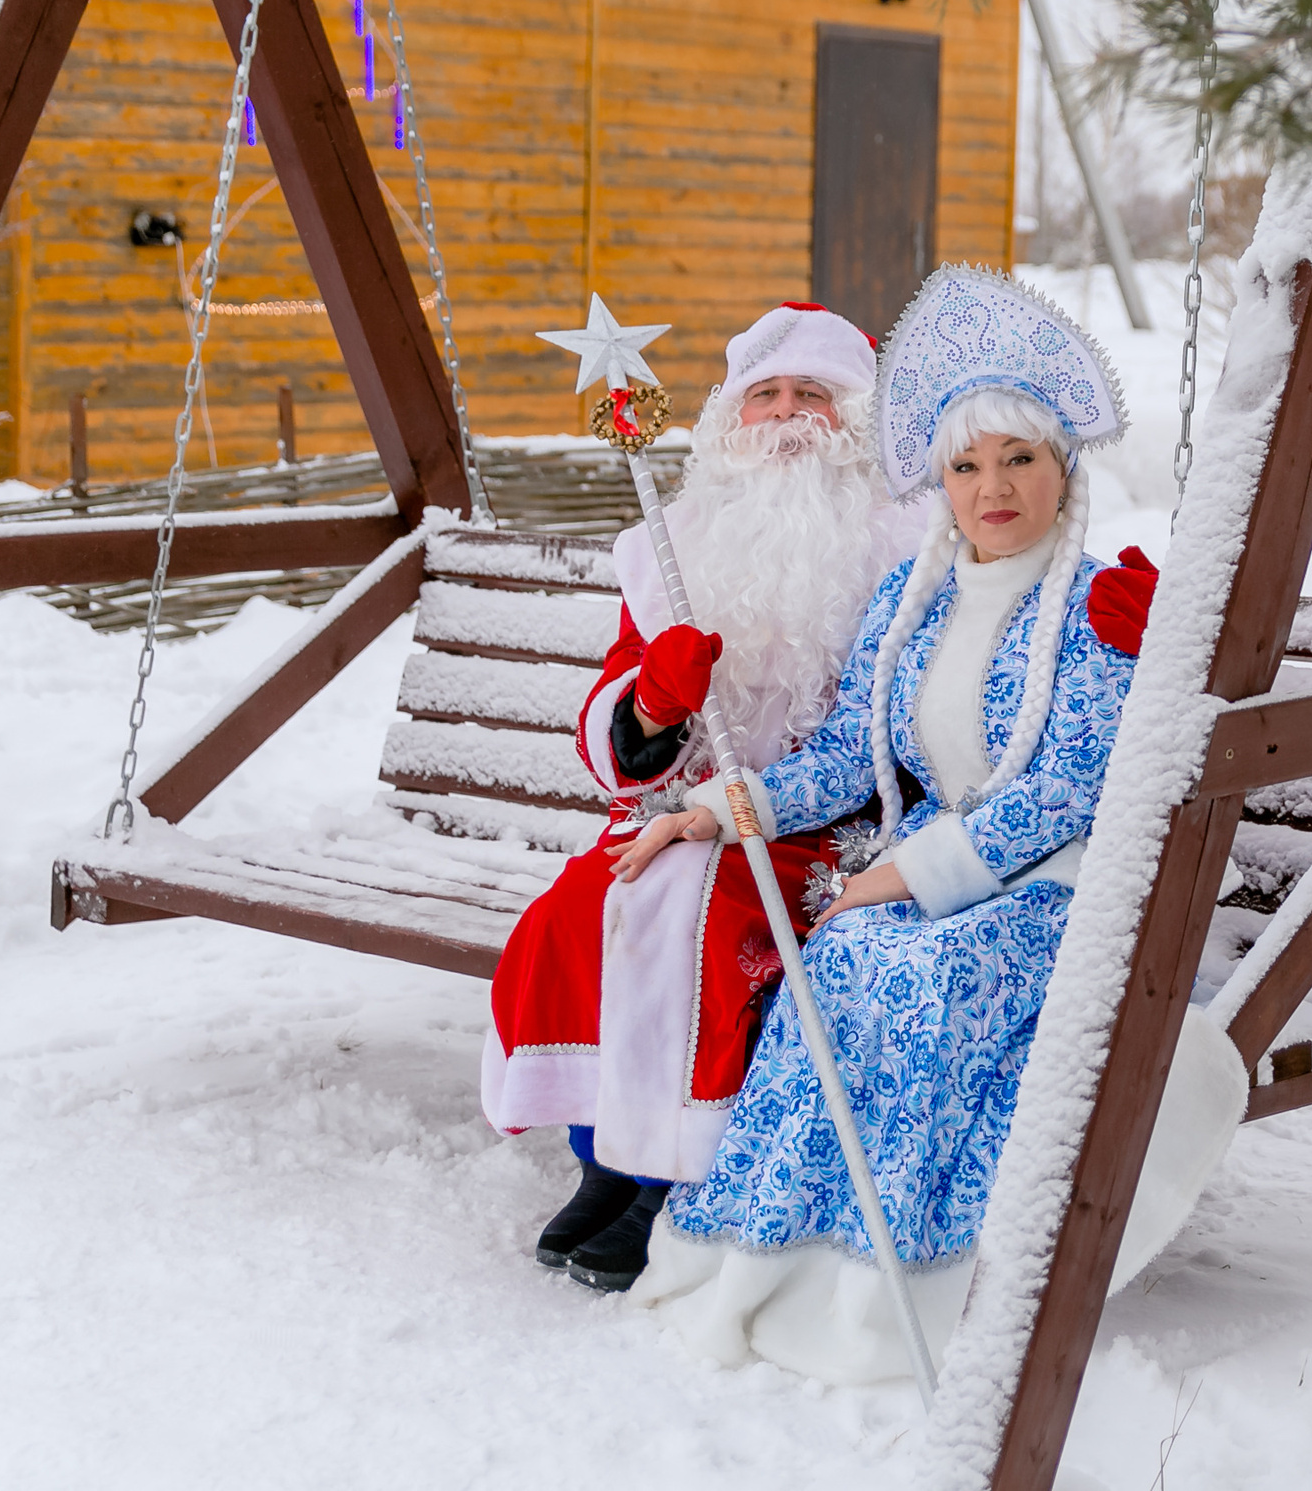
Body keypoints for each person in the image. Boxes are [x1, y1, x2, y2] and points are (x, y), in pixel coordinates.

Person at [604, 265, 1153, 1380]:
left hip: (1059, 883)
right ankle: (773, 1257)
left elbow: (1061, 798)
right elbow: (848, 755)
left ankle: (915, 1272)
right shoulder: (917, 605)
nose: (990, 489)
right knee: (843, 957)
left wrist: (899, 878)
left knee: (905, 969)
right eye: (965, 465)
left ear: (1062, 470)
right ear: (940, 482)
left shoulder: (1091, 607)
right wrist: (713, 812)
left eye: (1017, 461)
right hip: (944, 876)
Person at [480, 302, 917, 1292]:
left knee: (703, 921)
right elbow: (612, 729)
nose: (786, 413)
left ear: (854, 417)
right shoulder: (670, 551)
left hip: (823, 827)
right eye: (763, 394)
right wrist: (653, 704)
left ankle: (676, 1179)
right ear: (730, 419)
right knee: (578, 912)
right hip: (672, 814)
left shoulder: (903, 545)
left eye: (813, 392)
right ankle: (609, 1160)